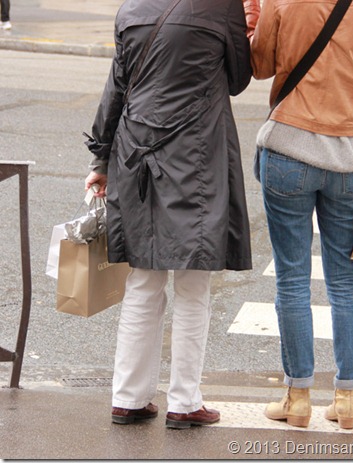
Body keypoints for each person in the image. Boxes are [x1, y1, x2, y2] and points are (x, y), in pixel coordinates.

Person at [84, 0, 252, 429]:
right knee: (194, 282)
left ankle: (129, 397)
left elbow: (116, 89)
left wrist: (100, 161)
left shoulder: (132, 9)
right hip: (195, 155)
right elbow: (238, 78)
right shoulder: (221, 8)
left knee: (143, 278)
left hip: (135, 152)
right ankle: (183, 401)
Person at [243, 0, 353, 429]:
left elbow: (259, 66)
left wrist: (254, 19)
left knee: (292, 277)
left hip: (289, 150)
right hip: (351, 160)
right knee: (343, 279)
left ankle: (297, 397)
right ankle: (347, 397)